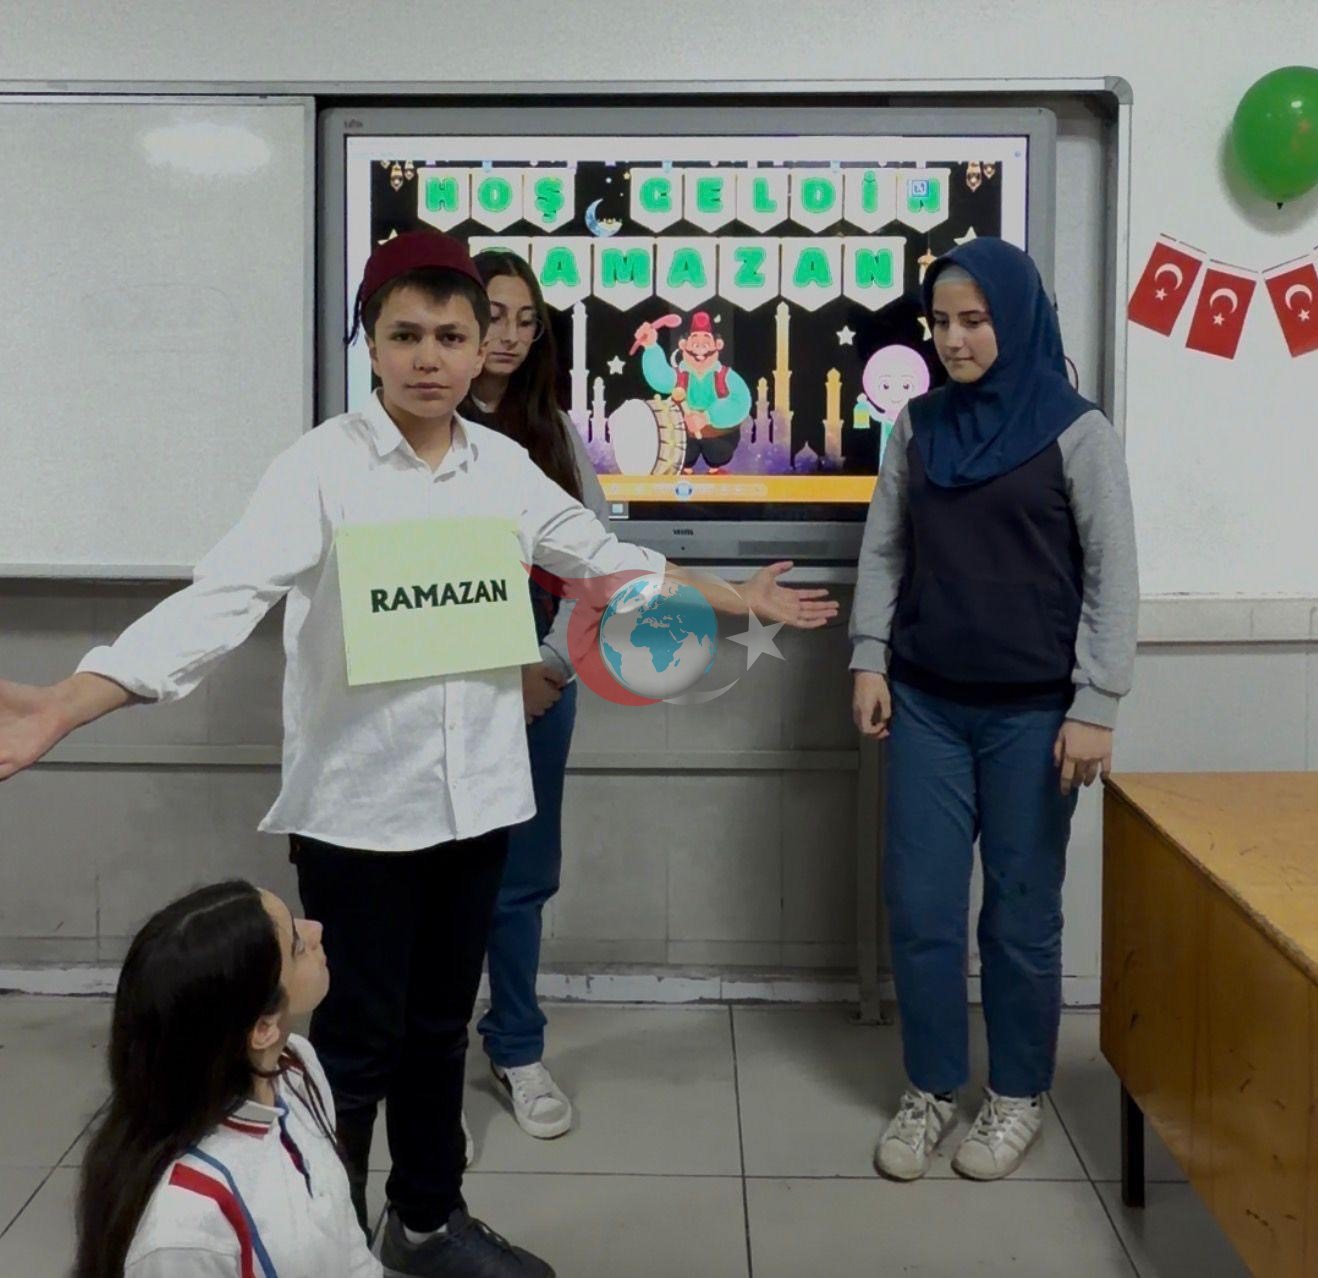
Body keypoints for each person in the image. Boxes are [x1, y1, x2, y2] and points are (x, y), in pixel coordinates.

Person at [0, 230, 836, 1278]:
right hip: (359, 816)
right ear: (372, 344)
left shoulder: (504, 467)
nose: (429, 357)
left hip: (478, 805)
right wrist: (72, 700)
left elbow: (605, 560)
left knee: (441, 1032)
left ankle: (427, 1222)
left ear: (482, 344)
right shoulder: (321, 467)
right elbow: (222, 599)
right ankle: (332, 1248)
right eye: (405, 336)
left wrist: (736, 595)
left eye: (449, 335)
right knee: (350, 1054)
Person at [849, 237, 1137, 1183]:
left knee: (1019, 917)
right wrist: (869, 655)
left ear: (1015, 318)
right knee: (922, 909)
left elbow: (1113, 575)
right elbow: (885, 550)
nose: (954, 340)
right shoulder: (918, 426)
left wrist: (1096, 702)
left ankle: (1016, 1093)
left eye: (974, 321)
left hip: (1036, 718)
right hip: (927, 705)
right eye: (940, 323)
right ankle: (931, 1086)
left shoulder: (1077, 432)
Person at [459, 249, 596, 1150]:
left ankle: (515, 1048)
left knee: (521, 882)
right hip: (445, 691)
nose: (507, 335)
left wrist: (545, 664)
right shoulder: (420, 431)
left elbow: (593, 562)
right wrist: (489, 673)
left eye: (525, 319)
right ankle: (428, 1068)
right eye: (492, 315)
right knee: (434, 882)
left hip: (544, 687)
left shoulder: (554, 433)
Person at [74, 880, 379, 1277]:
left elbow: (347, 1240)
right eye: (296, 946)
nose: (316, 929)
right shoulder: (185, 1231)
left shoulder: (296, 1066)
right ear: (263, 1028)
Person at [633, 310, 751, 473]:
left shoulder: (726, 376)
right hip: (684, 435)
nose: (700, 348)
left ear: (718, 345)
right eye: (694, 341)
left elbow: (741, 401)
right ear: (683, 346)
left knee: (719, 453)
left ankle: (715, 470)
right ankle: (686, 471)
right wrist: (651, 346)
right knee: (684, 455)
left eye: (706, 341)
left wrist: (707, 417)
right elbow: (660, 378)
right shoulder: (679, 375)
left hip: (719, 435)